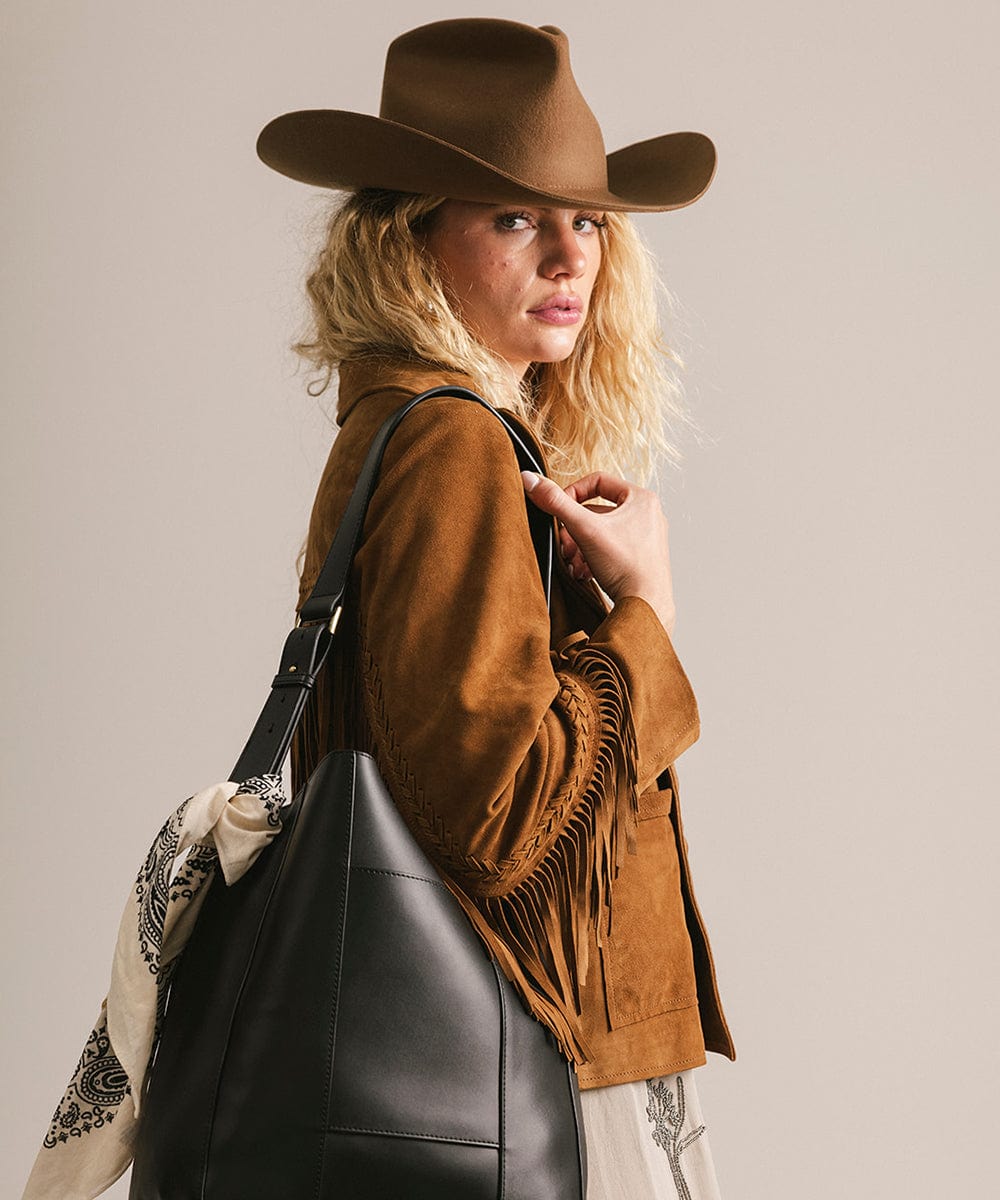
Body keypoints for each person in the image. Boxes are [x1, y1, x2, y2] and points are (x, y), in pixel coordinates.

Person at [260, 17, 735, 1200]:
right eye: (515, 219)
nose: (570, 257)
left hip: (499, 1053)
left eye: (587, 222)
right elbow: (495, 815)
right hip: (534, 1064)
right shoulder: (452, 448)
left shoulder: (410, 433)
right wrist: (645, 615)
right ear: (407, 241)